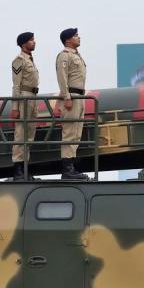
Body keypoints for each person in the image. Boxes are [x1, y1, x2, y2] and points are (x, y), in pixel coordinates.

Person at [56, 27, 89, 180]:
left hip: (80, 97)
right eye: (76, 36)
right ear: (68, 40)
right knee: (69, 133)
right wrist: (66, 97)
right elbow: (62, 78)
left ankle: (72, 167)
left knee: (76, 133)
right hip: (72, 96)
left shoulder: (77, 55)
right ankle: (67, 169)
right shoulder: (64, 56)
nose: (79, 37)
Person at [10, 32, 39, 181]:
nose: (34, 42)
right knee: (21, 134)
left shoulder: (30, 59)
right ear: (23, 43)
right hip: (24, 98)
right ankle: (18, 170)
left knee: (29, 135)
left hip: (33, 98)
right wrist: (15, 107)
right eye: (31, 40)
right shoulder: (19, 60)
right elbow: (16, 85)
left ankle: (25, 168)